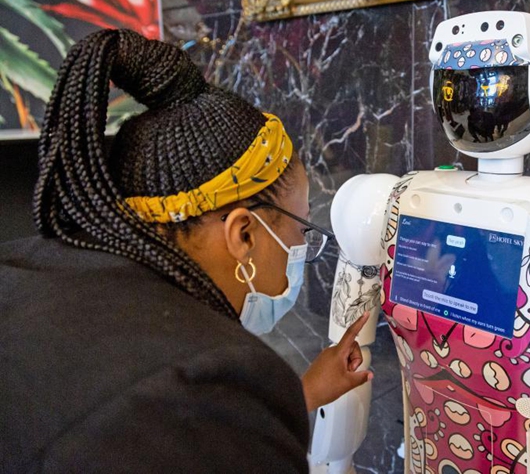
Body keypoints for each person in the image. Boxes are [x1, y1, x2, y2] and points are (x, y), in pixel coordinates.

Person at [0, 29, 371, 472]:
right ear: (244, 235)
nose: (300, 247)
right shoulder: (200, 387)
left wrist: (292, 397)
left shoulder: (25, 272)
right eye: (300, 227)